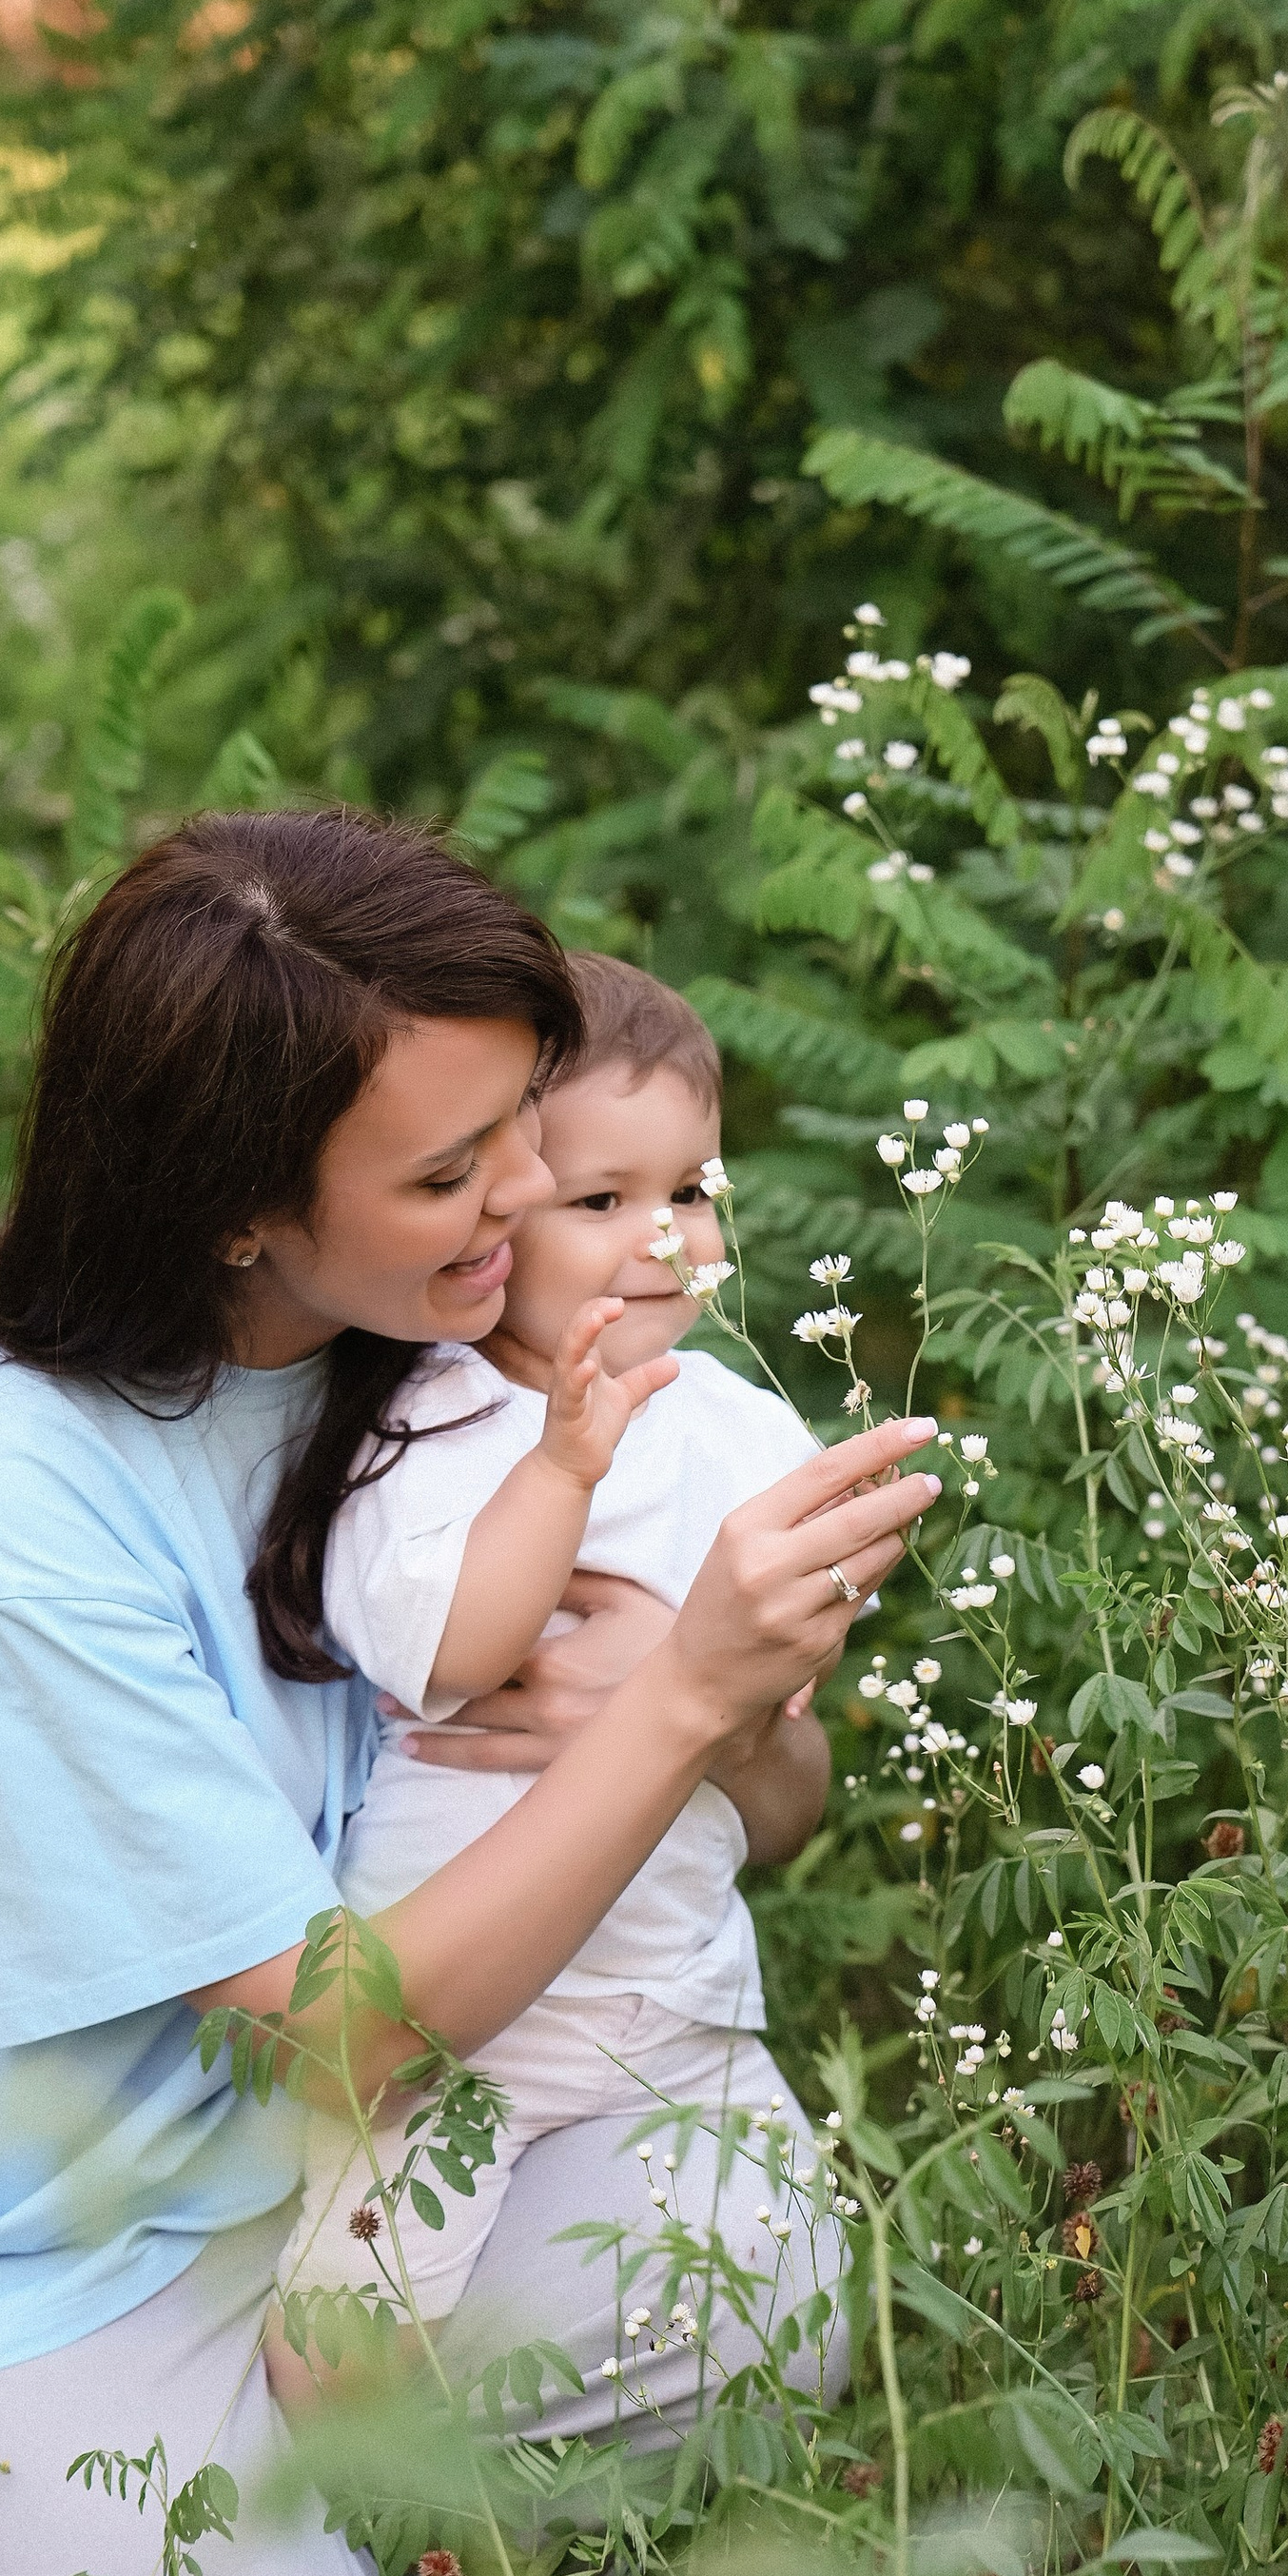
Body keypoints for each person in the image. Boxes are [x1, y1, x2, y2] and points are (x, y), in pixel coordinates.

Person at [0, 808, 937, 2576]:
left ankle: (336, 2565)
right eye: (454, 1175)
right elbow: (324, 2035)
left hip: (348, 2218)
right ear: (231, 1211)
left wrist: (722, 1730)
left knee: (758, 2256)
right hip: (39, 2279)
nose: (537, 1205)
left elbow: (765, 1815)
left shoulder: (453, 1361)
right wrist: (668, 1706)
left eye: (527, 1138)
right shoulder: (10, 1487)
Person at [271, 956, 830, 2401]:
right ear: (500, 1210)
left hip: (677, 1989)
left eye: (693, 1189)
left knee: (781, 2300)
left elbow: (786, 1758)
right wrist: (568, 1465)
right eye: (602, 1201)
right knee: (345, 2343)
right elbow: (453, 1654)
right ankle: (319, 2552)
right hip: (456, 2026)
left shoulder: (746, 1428)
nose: (665, 1237)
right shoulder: (437, 1424)